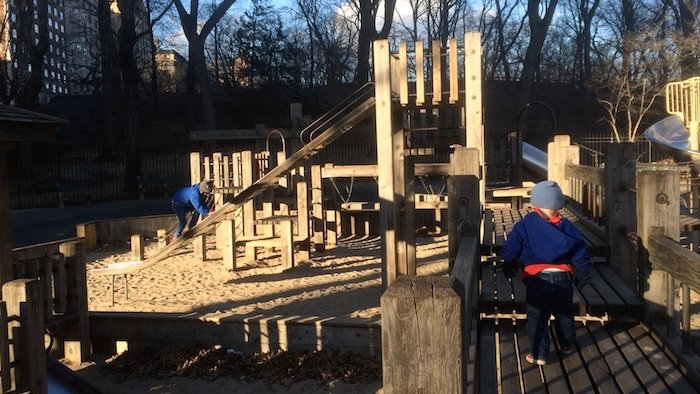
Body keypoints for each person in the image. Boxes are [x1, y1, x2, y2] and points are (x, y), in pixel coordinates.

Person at [501, 180, 591, 366]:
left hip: (537, 279)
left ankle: (538, 353)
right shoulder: (568, 227)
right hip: (563, 278)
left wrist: (509, 262)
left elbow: (511, 247)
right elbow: (581, 251)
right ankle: (566, 344)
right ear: (558, 204)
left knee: (537, 316)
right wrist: (583, 273)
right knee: (564, 313)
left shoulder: (525, 225)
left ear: (534, 204)